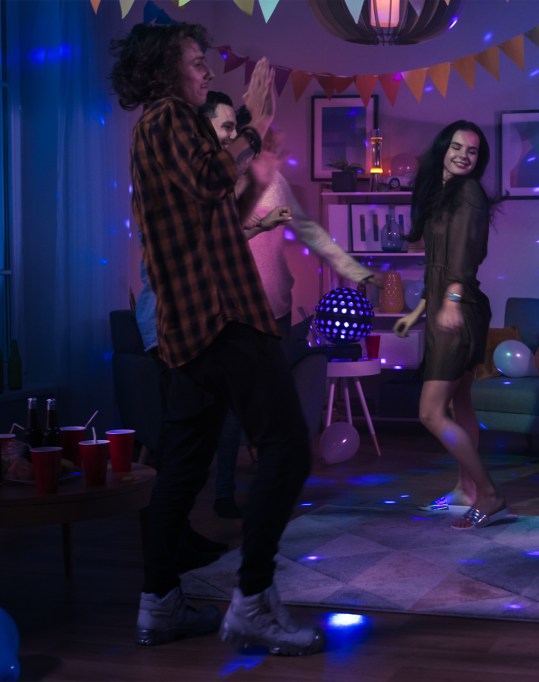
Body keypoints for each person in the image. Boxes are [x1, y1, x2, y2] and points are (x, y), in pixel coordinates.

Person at [110, 22, 325, 655]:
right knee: (287, 448)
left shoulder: (160, 129)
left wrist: (257, 167)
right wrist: (252, 124)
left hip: (190, 325)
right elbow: (211, 181)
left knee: (182, 464)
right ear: (165, 69)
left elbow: (215, 210)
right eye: (196, 61)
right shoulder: (169, 118)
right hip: (221, 315)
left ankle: (158, 606)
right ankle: (252, 602)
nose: (207, 72)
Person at [209, 97, 382, 519]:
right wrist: (257, 224)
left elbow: (309, 231)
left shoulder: (275, 180)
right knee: (234, 409)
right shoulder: (214, 181)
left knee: (277, 401)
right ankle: (224, 494)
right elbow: (215, 242)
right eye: (237, 131)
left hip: (278, 310)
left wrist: (353, 269)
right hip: (237, 312)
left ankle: (272, 491)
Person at [392, 120, 512, 530]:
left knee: (430, 412)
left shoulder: (468, 192)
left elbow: (465, 253)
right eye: (457, 147)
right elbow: (436, 263)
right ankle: (466, 490)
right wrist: (419, 310)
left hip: (460, 307)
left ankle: (490, 494)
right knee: (460, 403)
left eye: (472, 151)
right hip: (446, 304)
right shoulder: (440, 194)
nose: (464, 155)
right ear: (443, 148)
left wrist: (453, 300)